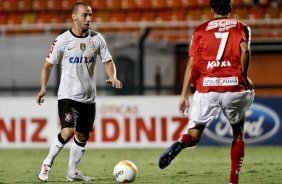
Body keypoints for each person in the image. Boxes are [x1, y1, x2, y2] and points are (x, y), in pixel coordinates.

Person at [158, 0, 254, 184]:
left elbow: (192, 63)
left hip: (207, 88)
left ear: (211, 10)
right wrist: (243, 76)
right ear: (230, 8)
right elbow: (245, 50)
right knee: (238, 132)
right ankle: (233, 180)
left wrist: (184, 94)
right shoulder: (241, 27)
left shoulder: (200, 30)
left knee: (194, 135)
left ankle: (180, 143)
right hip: (233, 87)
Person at [36, 1, 122, 182]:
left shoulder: (97, 39)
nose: (89, 19)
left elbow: (107, 61)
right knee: (67, 132)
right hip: (67, 95)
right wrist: (43, 88)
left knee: (82, 135)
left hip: (88, 98)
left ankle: (71, 173)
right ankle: (47, 163)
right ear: (74, 17)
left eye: (90, 15)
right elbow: (47, 66)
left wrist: (113, 76)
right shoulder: (62, 40)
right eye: (85, 15)